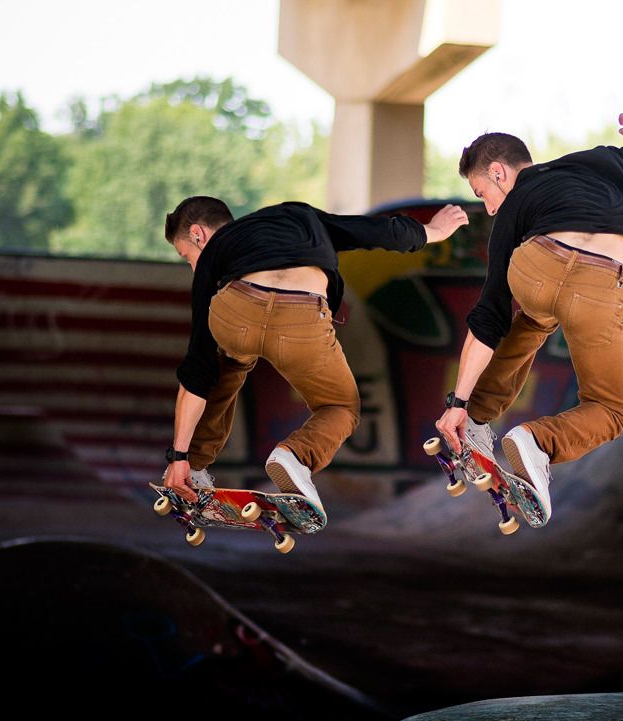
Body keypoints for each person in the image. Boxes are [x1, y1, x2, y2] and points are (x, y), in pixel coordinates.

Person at [434, 110, 623, 521]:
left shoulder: (514, 206)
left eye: (483, 192)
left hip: (538, 265)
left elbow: (489, 316)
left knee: (532, 320)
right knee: (608, 410)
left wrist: (459, 402)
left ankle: (477, 421)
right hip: (600, 281)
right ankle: (538, 442)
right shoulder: (604, 159)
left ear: (500, 173)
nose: (487, 208)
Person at [161, 196, 469, 512]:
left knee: (225, 364)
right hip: (302, 315)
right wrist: (430, 231)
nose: (194, 267)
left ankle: (194, 470)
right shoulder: (297, 216)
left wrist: (180, 457)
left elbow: (196, 370)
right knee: (340, 406)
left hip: (238, 309)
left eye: (188, 257)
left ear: (199, 234)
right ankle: (295, 456)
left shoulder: (214, 252)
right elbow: (372, 231)